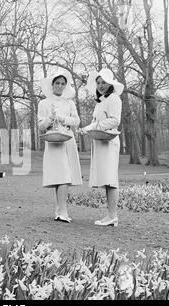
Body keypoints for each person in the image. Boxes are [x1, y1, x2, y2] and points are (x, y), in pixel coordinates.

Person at [80, 68, 124, 227]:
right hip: (100, 142)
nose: (101, 85)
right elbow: (95, 122)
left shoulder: (114, 99)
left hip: (109, 143)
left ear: (110, 83)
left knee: (111, 179)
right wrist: (86, 129)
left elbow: (114, 121)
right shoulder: (101, 101)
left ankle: (113, 216)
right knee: (106, 179)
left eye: (104, 82)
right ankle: (110, 215)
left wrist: (96, 127)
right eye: (98, 83)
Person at [38, 70, 83, 223]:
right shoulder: (43, 103)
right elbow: (40, 126)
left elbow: (76, 121)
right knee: (58, 175)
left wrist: (62, 118)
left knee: (65, 174)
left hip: (67, 141)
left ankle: (62, 210)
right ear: (52, 85)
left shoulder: (69, 103)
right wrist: (50, 118)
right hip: (52, 141)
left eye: (63, 84)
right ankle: (59, 208)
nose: (60, 86)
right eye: (57, 83)